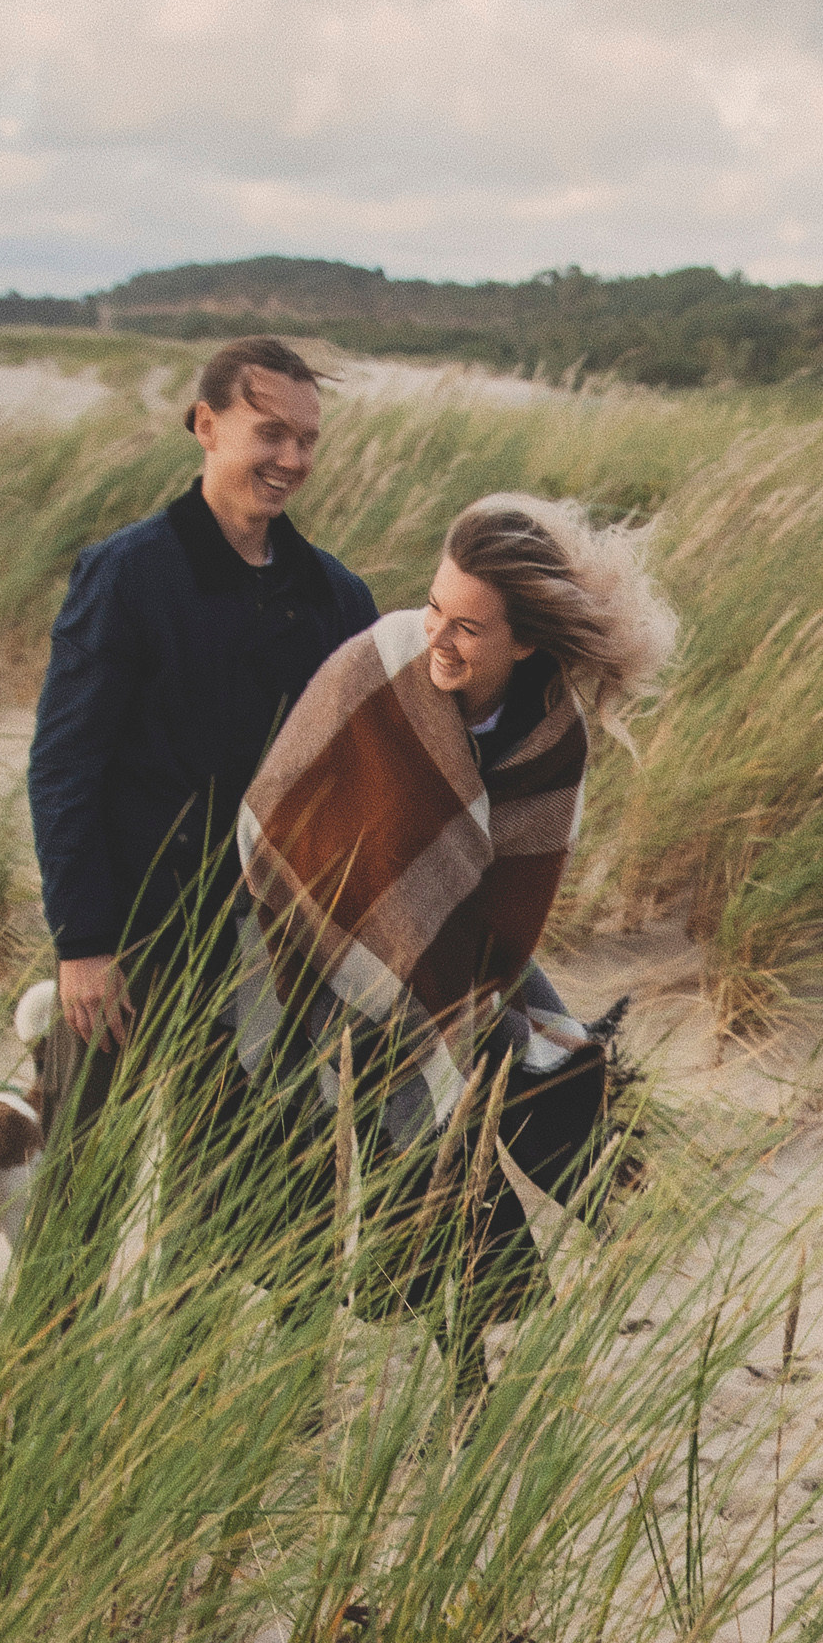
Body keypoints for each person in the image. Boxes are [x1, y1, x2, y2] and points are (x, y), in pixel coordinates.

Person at [234, 491, 676, 1364]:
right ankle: (297, 1360)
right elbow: (280, 818)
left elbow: (513, 908)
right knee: (301, 1155)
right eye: (435, 607)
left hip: (454, 959)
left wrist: (451, 989)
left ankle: (471, 1346)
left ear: (524, 642)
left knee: (530, 1079)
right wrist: (383, 954)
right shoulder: (375, 667)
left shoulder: (553, 741)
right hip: (301, 941)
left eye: (468, 628)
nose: (437, 636)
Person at [25, 334, 377, 1193]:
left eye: (307, 440)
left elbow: (357, 775)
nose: (292, 459)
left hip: (264, 950)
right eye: (270, 433)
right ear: (206, 425)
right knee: (80, 1193)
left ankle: (184, 1331)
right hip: (130, 936)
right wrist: (84, 943)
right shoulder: (125, 575)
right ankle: (57, 1336)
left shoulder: (337, 597)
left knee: (222, 1201)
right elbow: (63, 766)